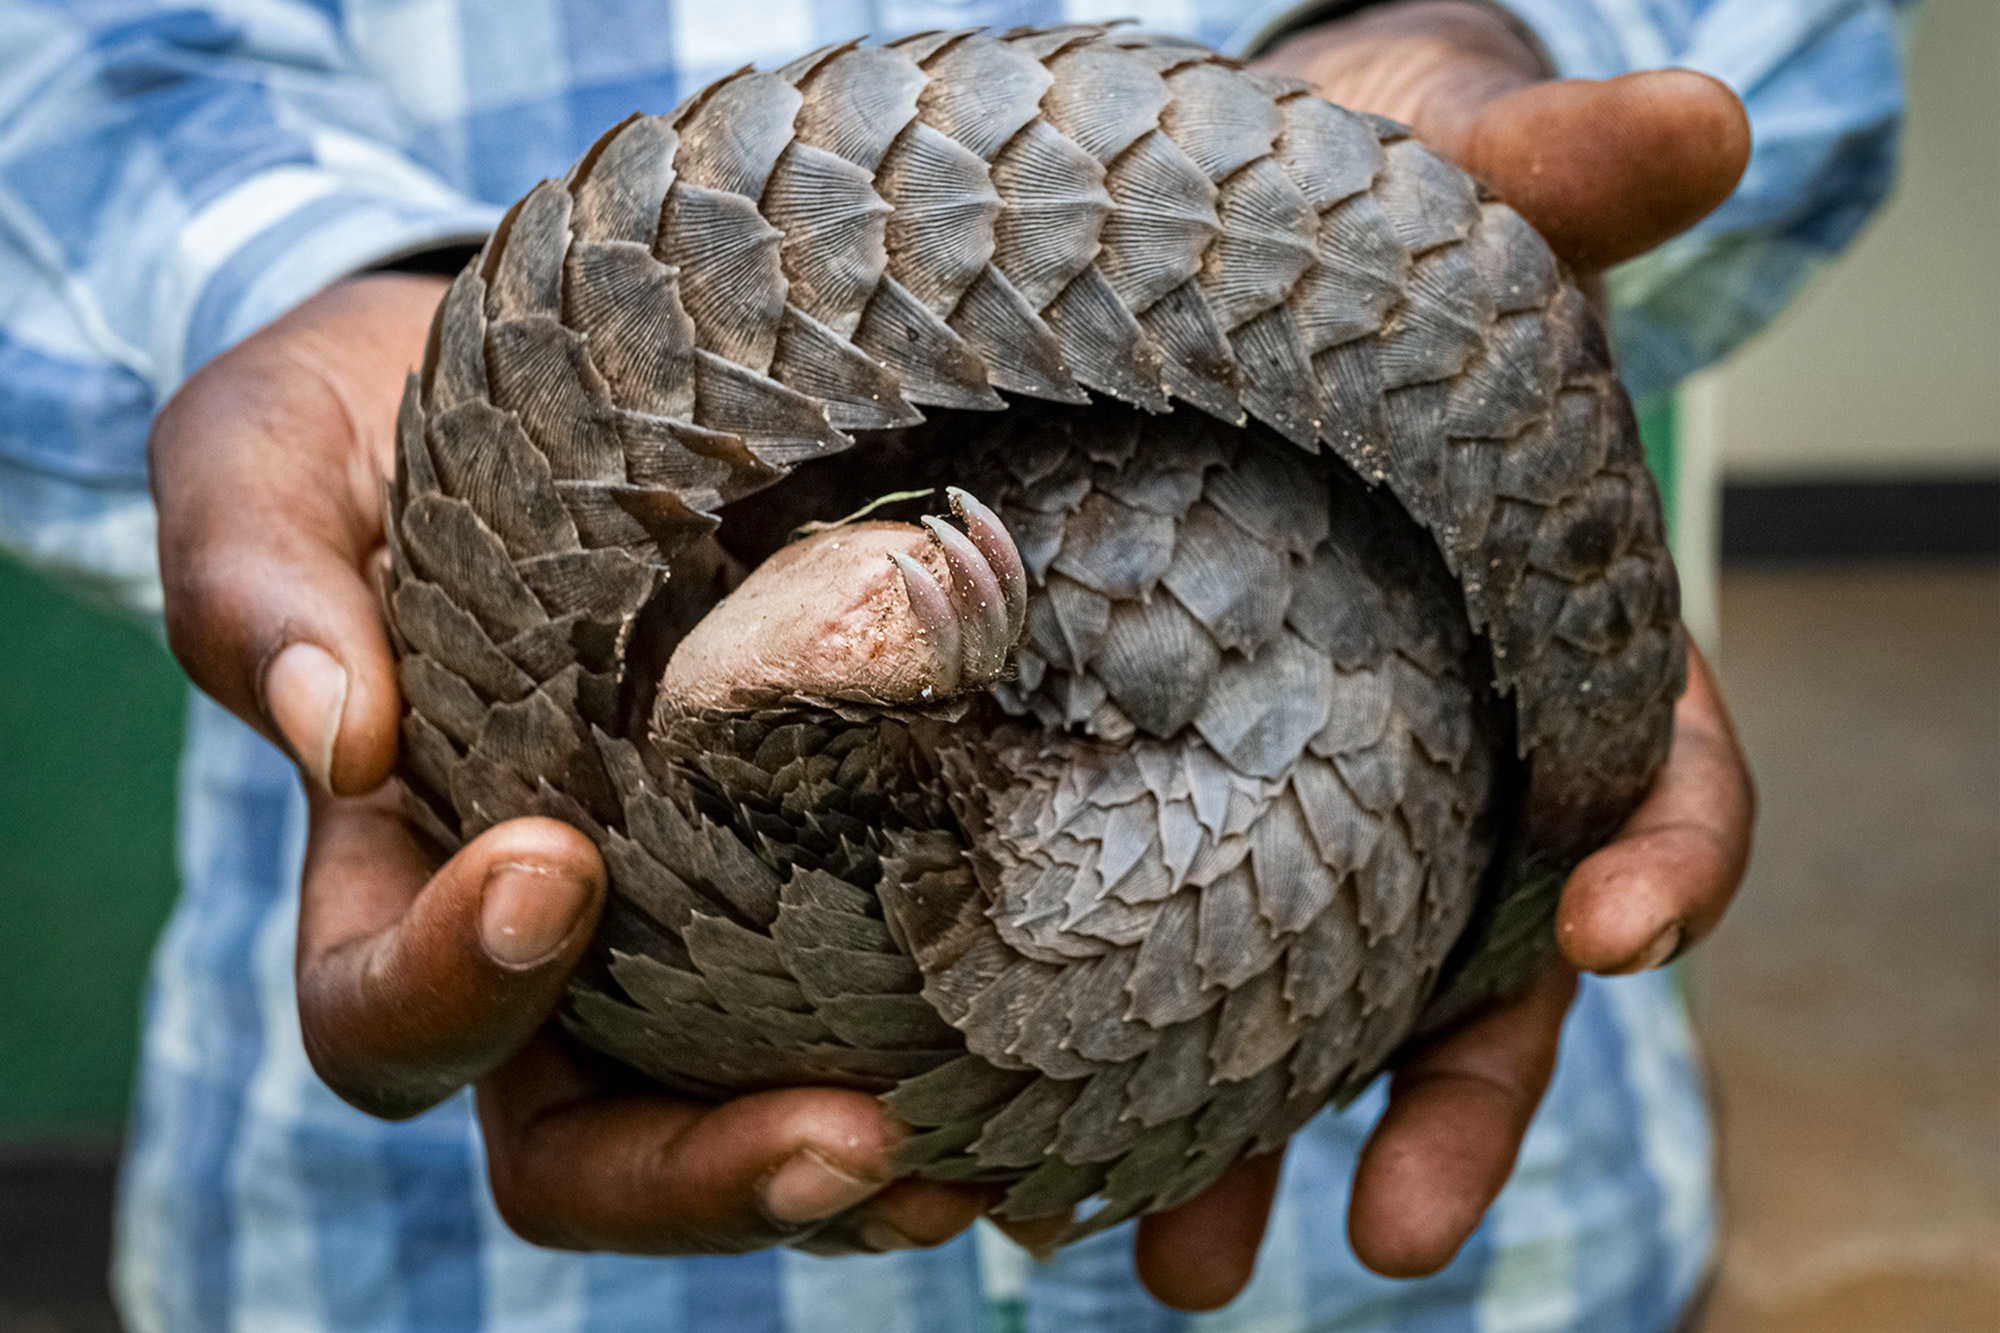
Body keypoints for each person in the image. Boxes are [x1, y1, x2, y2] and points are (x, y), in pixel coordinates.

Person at [0, 0, 1904, 1327]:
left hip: (1424, 1111)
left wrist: (1448, 44)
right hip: (445, 1217)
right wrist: (290, 277)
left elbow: (1801, 43)